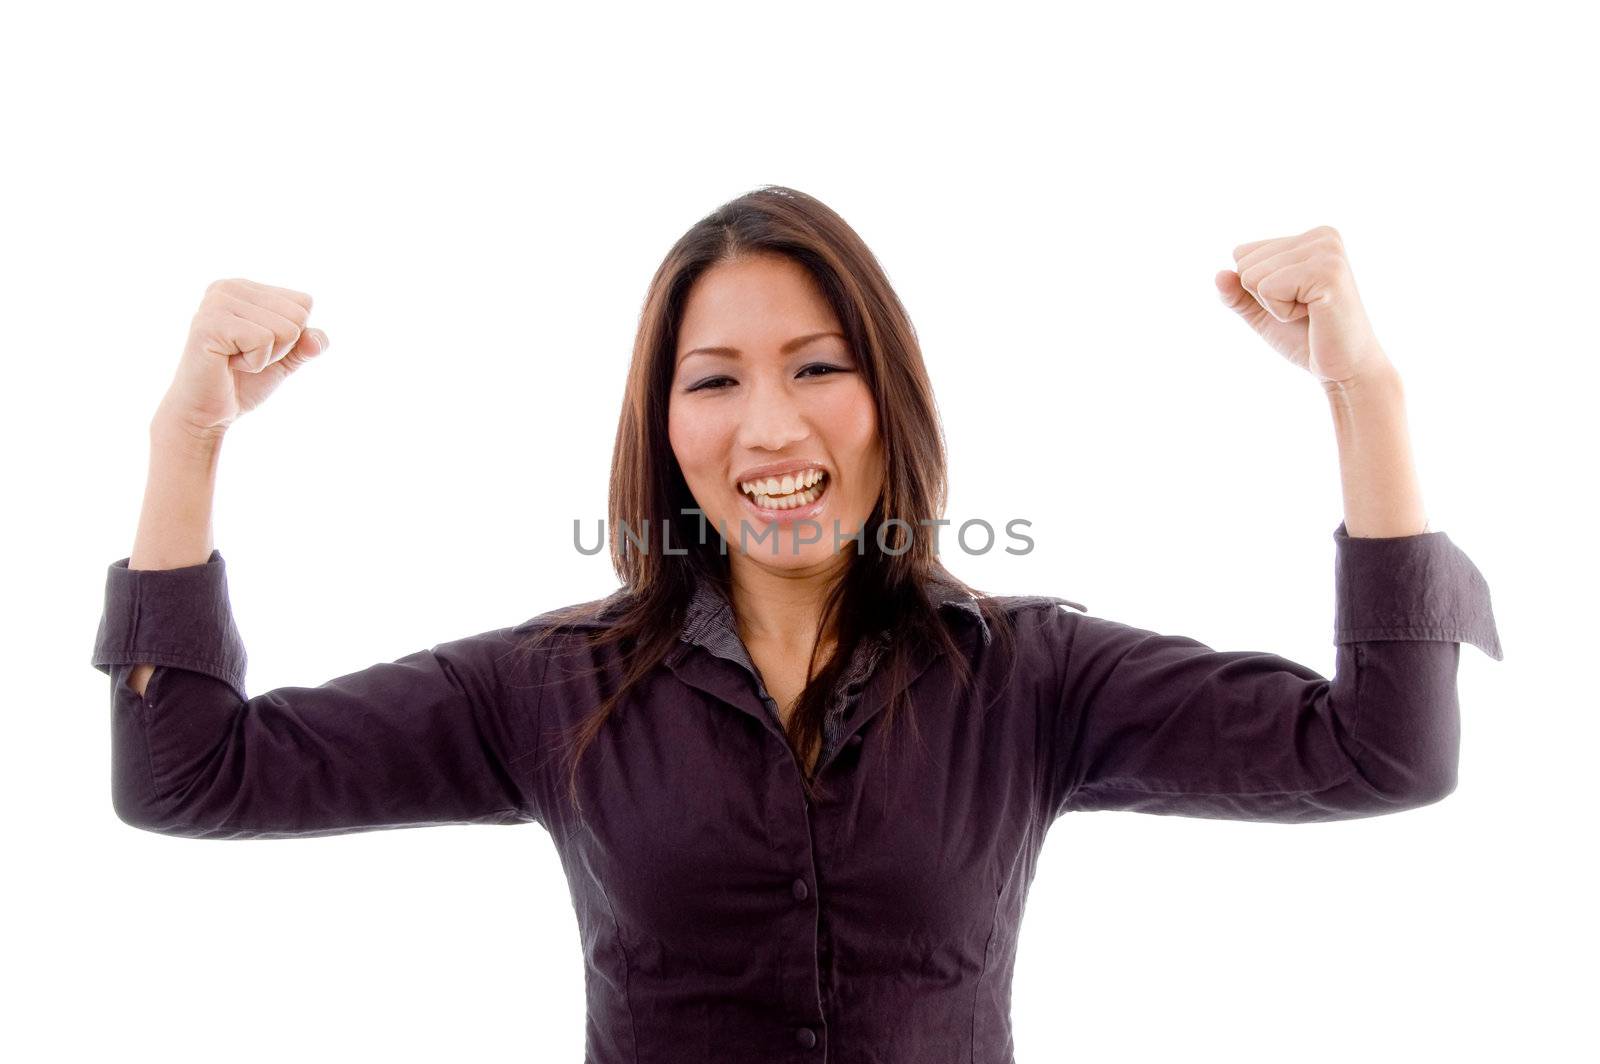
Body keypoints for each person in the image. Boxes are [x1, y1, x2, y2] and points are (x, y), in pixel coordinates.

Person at [90, 185, 1502, 1062]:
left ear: (888, 397)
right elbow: (186, 776)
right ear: (663, 427)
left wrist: (1362, 394)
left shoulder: (1029, 679)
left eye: (817, 366)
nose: (769, 425)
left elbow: (1385, 751)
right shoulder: (550, 687)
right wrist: (188, 436)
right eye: (713, 381)